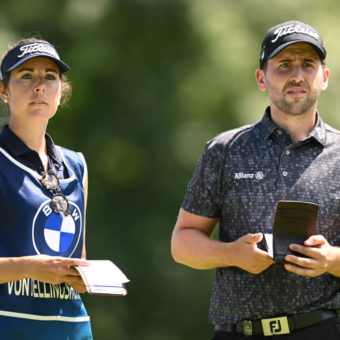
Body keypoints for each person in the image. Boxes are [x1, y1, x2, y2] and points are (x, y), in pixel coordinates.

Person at [171, 20, 340, 339]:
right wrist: (233, 253)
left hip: (321, 328)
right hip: (238, 331)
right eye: (284, 65)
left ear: (325, 77)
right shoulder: (224, 150)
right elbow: (182, 242)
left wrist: (331, 259)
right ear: (261, 78)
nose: (297, 75)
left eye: (308, 64)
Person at [0, 38, 93, 339]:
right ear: (4, 90)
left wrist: (87, 277)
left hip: (72, 330)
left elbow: (76, 256)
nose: (39, 85)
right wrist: (29, 268)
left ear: (60, 91)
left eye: (50, 77)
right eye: (26, 76)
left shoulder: (77, 165)